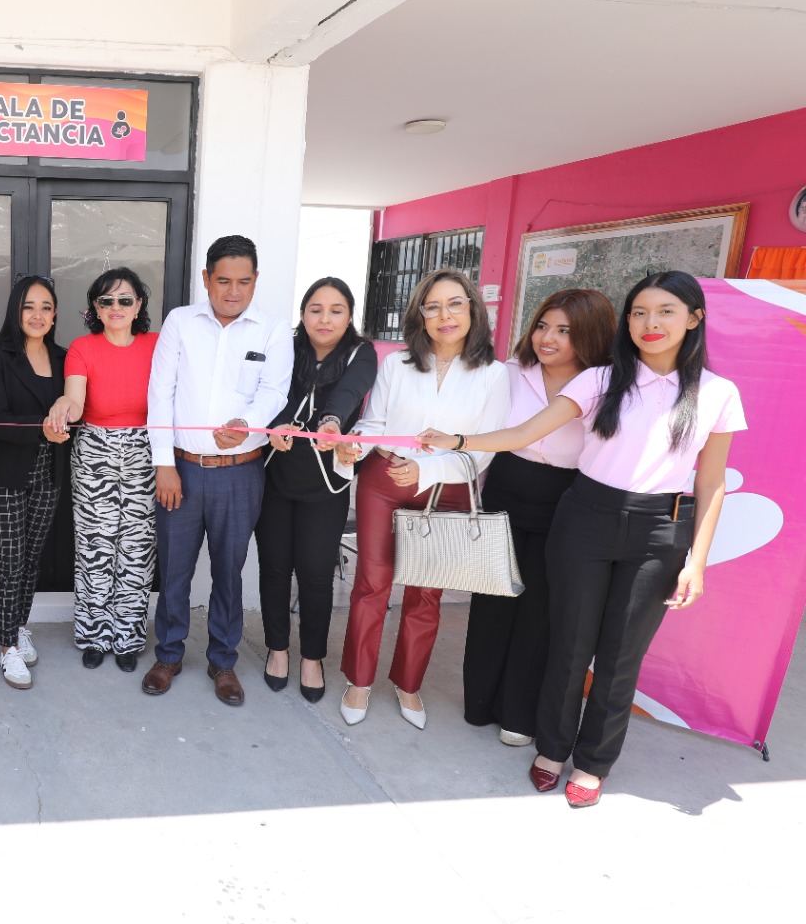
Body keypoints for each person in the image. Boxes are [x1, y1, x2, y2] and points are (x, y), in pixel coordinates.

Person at [420, 271, 743, 807]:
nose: (650, 323)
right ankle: (551, 749)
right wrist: (456, 441)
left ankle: (594, 763)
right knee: (568, 644)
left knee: (620, 656)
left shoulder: (717, 394)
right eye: (639, 312)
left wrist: (696, 561)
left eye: (665, 311)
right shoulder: (600, 379)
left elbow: (711, 483)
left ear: (694, 318)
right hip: (584, 518)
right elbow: (524, 433)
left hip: (658, 530)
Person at [333, 268, 508, 729]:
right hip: (384, 480)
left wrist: (426, 470)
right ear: (420, 315)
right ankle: (359, 680)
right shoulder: (398, 364)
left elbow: (484, 448)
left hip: (447, 490)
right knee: (371, 585)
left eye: (455, 304)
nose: (444, 315)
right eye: (433, 306)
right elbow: (375, 423)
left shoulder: (494, 374)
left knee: (426, 592)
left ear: (472, 310)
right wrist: (355, 447)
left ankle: (408, 684)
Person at [142, 235, 292, 706]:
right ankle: (168, 655)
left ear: (255, 281)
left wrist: (247, 424)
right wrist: (164, 465)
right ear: (206, 279)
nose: (233, 291)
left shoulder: (272, 329)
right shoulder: (180, 322)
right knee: (175, 570)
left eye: (243, 281)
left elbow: (275, 391)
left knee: (230, 571)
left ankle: (223, 661)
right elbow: (159, 394)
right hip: (182, 471)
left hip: (240, 473)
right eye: (223, 280)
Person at [462, 289, 614, 746]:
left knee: (541, 609)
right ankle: (480, 702)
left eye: (564, 331)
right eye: (543, 326)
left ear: (590, 335)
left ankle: (519, 713)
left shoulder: (605, 383)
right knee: (493, 598)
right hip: (505, 489)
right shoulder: (509, 373)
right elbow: (487, 431)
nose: (548, 338)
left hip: (564, 499)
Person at [257, 277, 377, 703]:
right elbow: (270, 392)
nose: (325, 319)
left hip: (326, 482)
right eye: (316, 309)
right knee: (274, 567)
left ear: (349, 316)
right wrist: (276, 425)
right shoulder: (286, 347)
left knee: (315, 572)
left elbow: (350, 391)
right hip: (276, 473)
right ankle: (277, 649)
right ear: (303, 313)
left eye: (336, 310)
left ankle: (312, 656)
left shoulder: (361, 353)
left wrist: (331, 421)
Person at [45, 267, 160, 673]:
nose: (116, 307)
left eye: (125, 300)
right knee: (95, 547)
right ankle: (94, 633)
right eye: (106, 300)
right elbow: (75, 400)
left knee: (136, 548)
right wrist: (62, 408)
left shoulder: (156, 345)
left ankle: (128, 637)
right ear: (95, 307)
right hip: (95, 450)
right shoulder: (82, 348)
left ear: (139, 305)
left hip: (145, 450)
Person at [0, 275, 67, 689]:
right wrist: (44, 428)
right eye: (29, 306)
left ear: (55, 315)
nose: (37, 315)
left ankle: (19, 625)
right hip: (2, 475)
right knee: (10, 562)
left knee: (31, 560)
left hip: (49, 472)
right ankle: (7, 645)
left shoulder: (64, 358)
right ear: (16, 310)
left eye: (46, 307)